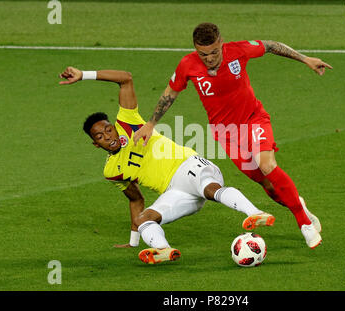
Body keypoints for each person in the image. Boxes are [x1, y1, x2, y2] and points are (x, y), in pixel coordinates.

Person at [133, 23, 331, 249]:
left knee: (266, 164)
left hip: (253, 119)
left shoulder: (239, 50)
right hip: (227, 135)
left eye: (214, 52)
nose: (208, 58)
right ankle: (298, 205)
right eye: (203, 54)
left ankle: (303, 222)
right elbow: (170, 93)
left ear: (221, 43)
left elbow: (271, 46)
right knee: (266, 182)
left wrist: (305, 59)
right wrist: (151, 123)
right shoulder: (188, 65)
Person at [59, 66, 275, 264]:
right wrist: (134, 241)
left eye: (108, 129)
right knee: (144, 220)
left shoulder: (128, 122)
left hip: (190, 166)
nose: (107, 136)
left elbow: (125, 79)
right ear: (95, 144)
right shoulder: (111, 171)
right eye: (100, 136)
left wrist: (84, 75)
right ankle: (163, 249)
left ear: (114, 126)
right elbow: (136, 199)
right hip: (176, 191)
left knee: (210, 189)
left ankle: (255, 213)